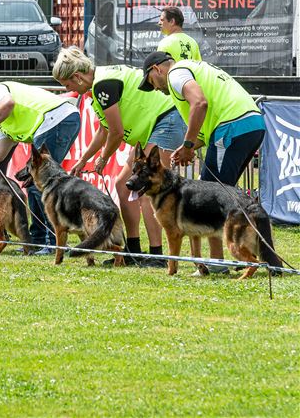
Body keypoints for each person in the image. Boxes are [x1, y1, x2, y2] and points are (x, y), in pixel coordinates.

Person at [52, 46, 187, 268]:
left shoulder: (102, 84)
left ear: (77, 77)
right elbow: (103, 130)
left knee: (146, 189)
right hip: (149, 129)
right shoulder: (97, 86)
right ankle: (133, 251)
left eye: (67, 85)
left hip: (167, 119)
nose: (69, 89)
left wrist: (103, 159)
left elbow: (116, 132)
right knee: (123, 186)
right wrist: (84, 160)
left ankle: (156, 256)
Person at [139, 51, 266, 273]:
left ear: (157, 69)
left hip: (232, 126)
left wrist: (188, 145)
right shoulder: (194, 68)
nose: (157, 89)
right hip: (252, 124)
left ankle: (217, 264)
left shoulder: (176, 75)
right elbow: (205, 126)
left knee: (208, 196)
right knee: (227, 196)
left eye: (152, 82)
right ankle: (257, 257)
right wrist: (188, 146)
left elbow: (200, 103)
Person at [0, 82, 80, 254]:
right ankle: (37, 240)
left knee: (40, 183)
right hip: (60, 120)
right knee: (33, 184)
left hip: (56, 119)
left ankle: (53, 243)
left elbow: (8, 103)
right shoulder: (3, 122)